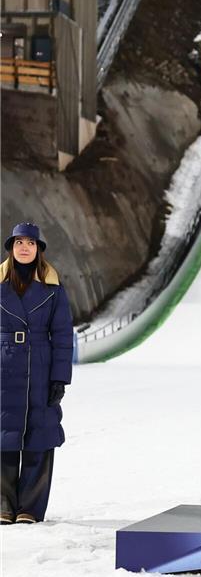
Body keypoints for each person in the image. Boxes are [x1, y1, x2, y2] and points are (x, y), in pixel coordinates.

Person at [0, 223, 74, 524]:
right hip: (4, 366)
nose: (24, 247)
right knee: (3, 436)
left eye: (30, 243)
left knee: (39, 436)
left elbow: (63, 336)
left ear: (39, 249)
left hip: (40, 367)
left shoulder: (53, 289)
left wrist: (60, 377)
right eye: (19, 242)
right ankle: (3, 505)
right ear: (11, 247)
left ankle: (30, 507)